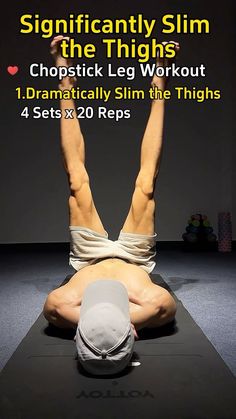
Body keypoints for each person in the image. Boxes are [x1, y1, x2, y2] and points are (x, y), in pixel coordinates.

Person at [43, 36, 179, 375]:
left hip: (89, 256)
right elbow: (163, 305)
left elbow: (54, 307)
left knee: (76, 180)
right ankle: (160, 82)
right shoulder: (156, 307)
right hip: (135, 259)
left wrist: (95, 322)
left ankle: (65, 82)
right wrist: (123, 322)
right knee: (146, 184)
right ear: (132, 332)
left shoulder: (62, 308)